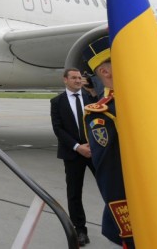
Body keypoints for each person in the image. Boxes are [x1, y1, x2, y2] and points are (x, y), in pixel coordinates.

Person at [81, 36, 135, 248]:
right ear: (105, 71)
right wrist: (126, 222)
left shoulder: (143, 101)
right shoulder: (104, 112)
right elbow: (110, 173)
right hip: (137, 212)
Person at [50, 68, 96, 246]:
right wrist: (77, 147)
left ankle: (118, 226)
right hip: (73, 153)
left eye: (80, 78)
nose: (78, 80)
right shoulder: (57, 102)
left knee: (108, 188)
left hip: (94, 151)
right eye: (74, 78)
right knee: (74, 193)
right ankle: (80, 230)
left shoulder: (91, 98)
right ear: (65, 80)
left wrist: (92, 145)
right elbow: (58, 129)